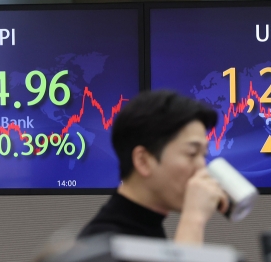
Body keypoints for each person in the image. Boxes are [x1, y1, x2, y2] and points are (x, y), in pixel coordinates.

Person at [78, 90, 228, 244]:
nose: (201, 169)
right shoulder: (102, 245)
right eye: (191, 153)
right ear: (143, 161)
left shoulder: (147, 229)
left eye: (203, 155)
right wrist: (194, 219)